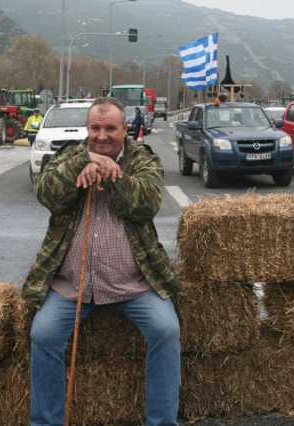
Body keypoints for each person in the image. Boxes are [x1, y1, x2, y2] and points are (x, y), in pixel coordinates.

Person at [23, 97, 180, 426]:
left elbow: (147, 204)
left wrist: (113, 175)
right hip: (71, 286)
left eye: (110, 128)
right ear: (88, 128)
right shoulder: (69, 155)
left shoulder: (143, 159)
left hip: (134, 284)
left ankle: (161, 422)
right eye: (95, 128)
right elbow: (47, 195)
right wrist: (82, 163)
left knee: (166, 330)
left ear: (125, 129)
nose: (102, 135)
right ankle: (46, 422)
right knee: (43, 335)